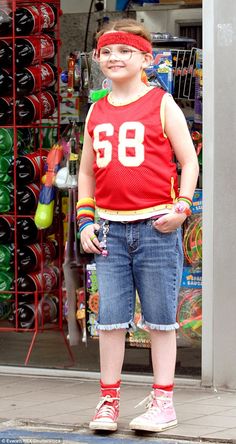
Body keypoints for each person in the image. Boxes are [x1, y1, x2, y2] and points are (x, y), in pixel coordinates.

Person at [77, 18, 199, 433]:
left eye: (124, 50)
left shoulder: (162, 102)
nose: (114, 58)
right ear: (98, 59)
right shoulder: (96, 108)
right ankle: (108, 401)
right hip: (108, 229)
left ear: (146, 57)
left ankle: (164, 401)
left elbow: (189, 161)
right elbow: (88, 173)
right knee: (109, 320)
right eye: (107, 51)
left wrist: (182, 206)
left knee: (161, 320)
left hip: (157, 227)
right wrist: (84, 219)